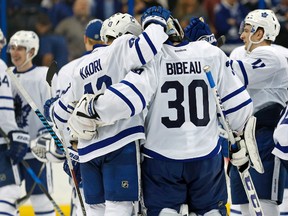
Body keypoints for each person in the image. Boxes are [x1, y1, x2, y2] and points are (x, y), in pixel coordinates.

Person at [68, 14, 254, 216]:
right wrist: (237, 138)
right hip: (206, 158)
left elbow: (128, 99)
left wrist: (93, 109)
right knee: (211, 212)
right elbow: (240, 110)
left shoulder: (153, 57)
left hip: (161, 159)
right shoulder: (211, 53)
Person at [50, 7, 170, 215]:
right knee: (120, 207)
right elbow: (148, 46)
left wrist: (53, 111)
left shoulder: (81, 66)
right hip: (119, 143)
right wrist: (157, 22)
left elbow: (60, 114)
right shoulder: (122, 47)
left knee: (94, 210)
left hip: (87, 152)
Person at [227, 9, 288, 215]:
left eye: (246, 30)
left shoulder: (273, 56)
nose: (242, 35)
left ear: (260, 33)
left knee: (263, 200)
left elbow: (233, 74)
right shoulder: (240, 53)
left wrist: (206, 50)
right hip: (242, 138)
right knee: (242, 202)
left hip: (265, 137)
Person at [47, 18, 104, 216]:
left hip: (80, 149)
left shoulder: (68, 70)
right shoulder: (119, 62)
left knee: (83, 204)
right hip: (114, 148)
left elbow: (63, 118)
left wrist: (66, 152)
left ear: (85, 39)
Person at [7, 30, 56, 216]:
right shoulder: (6, 76)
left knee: (40, 199)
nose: (15, 52)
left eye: (20, 48)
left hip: (37, 150)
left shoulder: (43, 76)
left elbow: (51, 110)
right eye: (12, 48)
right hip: (11, 150)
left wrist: (48, 137)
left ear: (32, 51)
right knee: (8, 199)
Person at [0, 28, 30, 216]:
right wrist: (14, 134)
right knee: (8, 193)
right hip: (1, 144)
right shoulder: (1, 66)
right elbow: (3, 105)